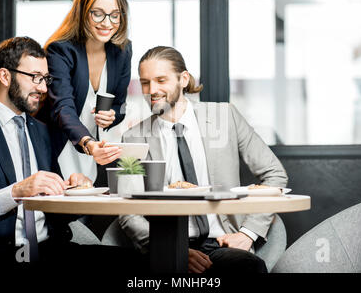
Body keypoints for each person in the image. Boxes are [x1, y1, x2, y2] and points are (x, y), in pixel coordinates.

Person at [0, 37, 142, 273]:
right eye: (35, 78)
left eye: (45, 79)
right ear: (5, 76)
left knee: (141, 263)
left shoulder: (41, 131)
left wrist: (74, 191)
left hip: (50, 248)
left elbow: (54, 209)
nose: (43, 88)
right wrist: (16, 191)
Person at [118, 46, 289, 274]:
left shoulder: (225, 117)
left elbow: (274, 175)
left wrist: (247, 233)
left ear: (183, 79)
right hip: (164, 243)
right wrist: (170, 250)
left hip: (220, 242)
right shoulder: (132, 137)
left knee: (248, 267)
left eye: (161, 80)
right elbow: (128, 211)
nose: (152, 90)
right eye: (145, 82)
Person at [40, 0, 131, 185]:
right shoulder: (60, 50)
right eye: (98, 14)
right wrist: (88, 143)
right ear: (83, 13)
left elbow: (120, 105)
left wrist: (112, 116)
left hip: (97, 152)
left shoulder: (122, 52)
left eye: (114, 15)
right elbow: (62, 108)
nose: (107, 23)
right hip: (62, 145)